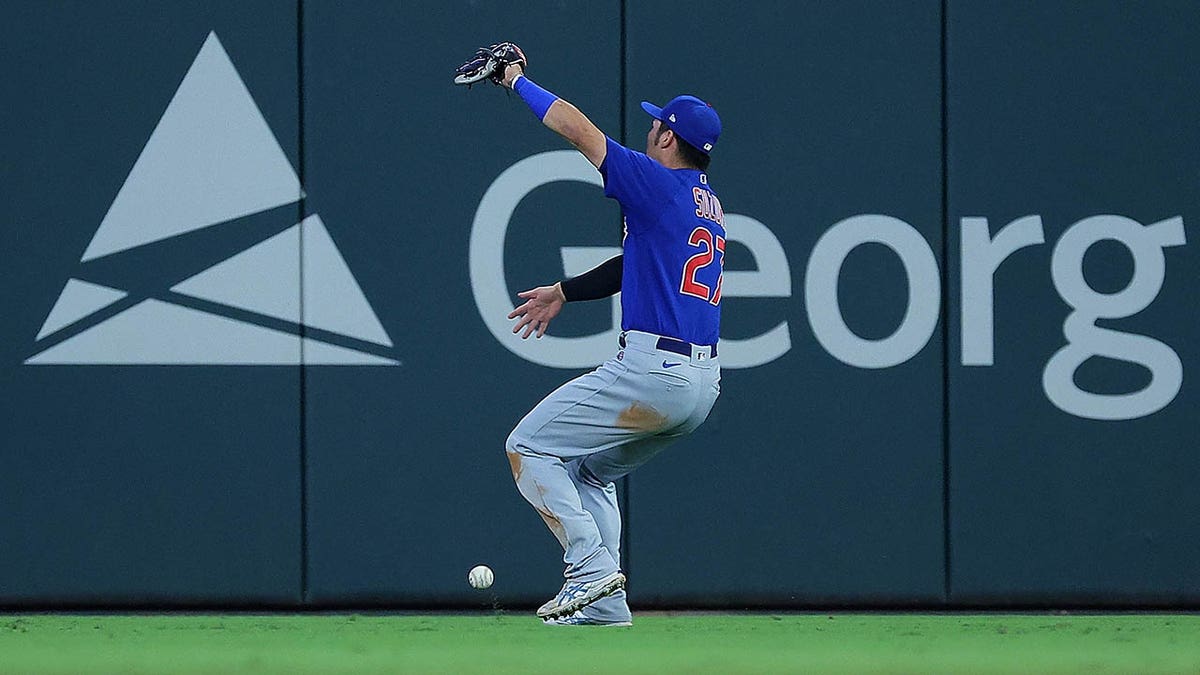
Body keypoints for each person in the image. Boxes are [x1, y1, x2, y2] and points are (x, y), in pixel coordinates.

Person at [482, 44, 725, 626]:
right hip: (702, 387)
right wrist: (565, 292)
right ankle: (607, 604)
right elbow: (633, 266)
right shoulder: (708, 205)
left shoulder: (654, 183)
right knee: (589, 471)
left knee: (528, 447)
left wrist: (515, 80)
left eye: (655, 123)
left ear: (669, 138)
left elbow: (575, 127)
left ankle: (589, 570)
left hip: (652, 373)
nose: (649, 130)